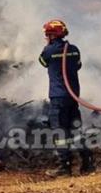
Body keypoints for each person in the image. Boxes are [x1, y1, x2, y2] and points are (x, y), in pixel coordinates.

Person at [38, 19, 94, 177]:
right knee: (76, 130)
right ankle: (88, 163)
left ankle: (64, 167)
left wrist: (49, 48)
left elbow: (42, 62)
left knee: (59, 132)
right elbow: (78, 65)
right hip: (73, 96)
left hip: (58, 97)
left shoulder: (48, 51)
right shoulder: (74, 49)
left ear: (52, 35)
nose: (46, 37)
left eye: (47, 35)